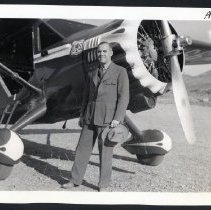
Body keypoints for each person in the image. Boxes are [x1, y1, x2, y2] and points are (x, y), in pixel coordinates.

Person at [62, 41, 129, 191]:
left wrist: (117, 118)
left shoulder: (120, 71)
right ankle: (74, 180)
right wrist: (82, 115)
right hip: (90, 117)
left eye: (105, 51)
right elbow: (86, 96)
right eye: (99, 52)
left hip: (108, 119)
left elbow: (124, 97)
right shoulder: (92, 72)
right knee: (82, 150)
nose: (101, 54)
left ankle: (103, 185)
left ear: (111, 53)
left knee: (105, 152)